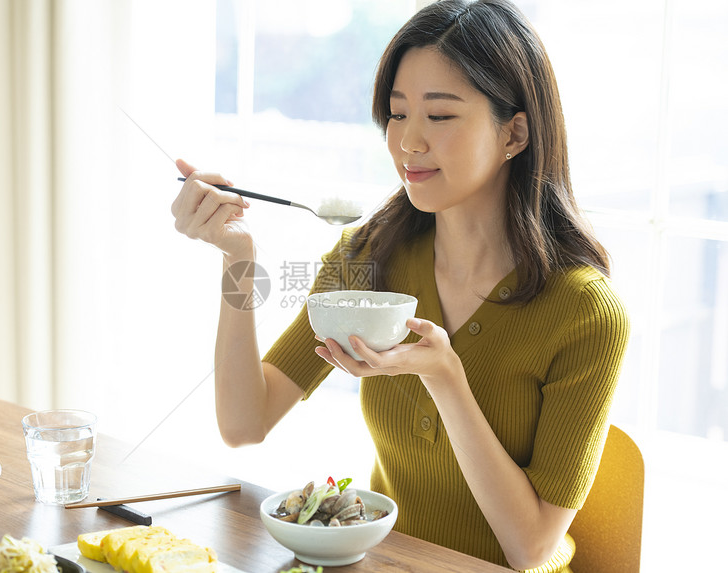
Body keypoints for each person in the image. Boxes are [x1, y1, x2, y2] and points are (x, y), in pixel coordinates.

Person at [170, 1, 629, 571]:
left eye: (439, 116)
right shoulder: (368, 259)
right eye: (396, 113)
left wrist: (443, 375)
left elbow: (530, 548)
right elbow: (244, 423)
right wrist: (237, 258)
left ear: (514, 131)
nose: (408, 142)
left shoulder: (584, 311)